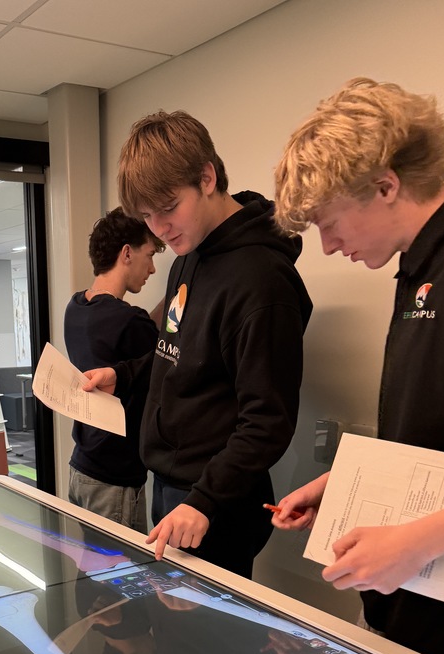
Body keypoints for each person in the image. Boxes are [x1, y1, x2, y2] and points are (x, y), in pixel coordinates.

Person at [271, 77, 444, 654]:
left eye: (328, 222)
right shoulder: (421, 265)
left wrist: (414, 543)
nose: (328, 245)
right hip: (415, 611)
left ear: (385, 186)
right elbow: (443, 433)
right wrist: (345, 482)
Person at [83, 111, 311, 577]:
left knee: (203, 642)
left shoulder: (263, 281)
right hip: (170, 482)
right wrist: (122, 375)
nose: (160, 228)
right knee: (169, 629)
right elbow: (174, 349)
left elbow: (267, 421)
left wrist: (205, 501)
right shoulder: (188, 258)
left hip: (215, 499)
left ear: (207, 177)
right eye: (147, 217)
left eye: (167, 208)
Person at [65, 208, 164, 532]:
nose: (151, 268)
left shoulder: (77, 307)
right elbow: (161, 357)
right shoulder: (130, 323)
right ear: (126, 253)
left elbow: (129, 333)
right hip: (115, 478)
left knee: (91, 574)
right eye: (149, 255)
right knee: (118, 579)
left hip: (83, 465)